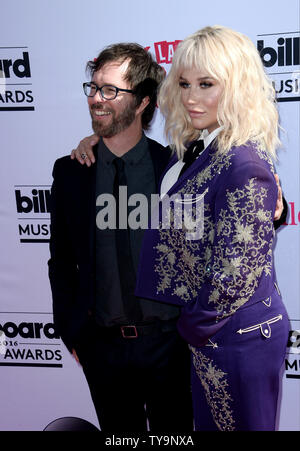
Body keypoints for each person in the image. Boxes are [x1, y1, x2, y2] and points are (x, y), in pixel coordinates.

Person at [134, 26, 290, 431]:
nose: (190, 97)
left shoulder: (244, 162)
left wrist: (194, 325)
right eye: (184, 83)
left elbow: (236, 272)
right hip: (213, 330)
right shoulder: (196, 147)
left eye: (206, 84)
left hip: (239, 334)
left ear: (237, 87)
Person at [48, 43, 193, 432]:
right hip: (103, 348)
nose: (97, 98)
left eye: (110, 90)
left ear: (143, 101)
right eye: (94, 88)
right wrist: (72, 331)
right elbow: (60, 261)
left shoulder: (175, 169)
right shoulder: (72, 172)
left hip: (171, 346)